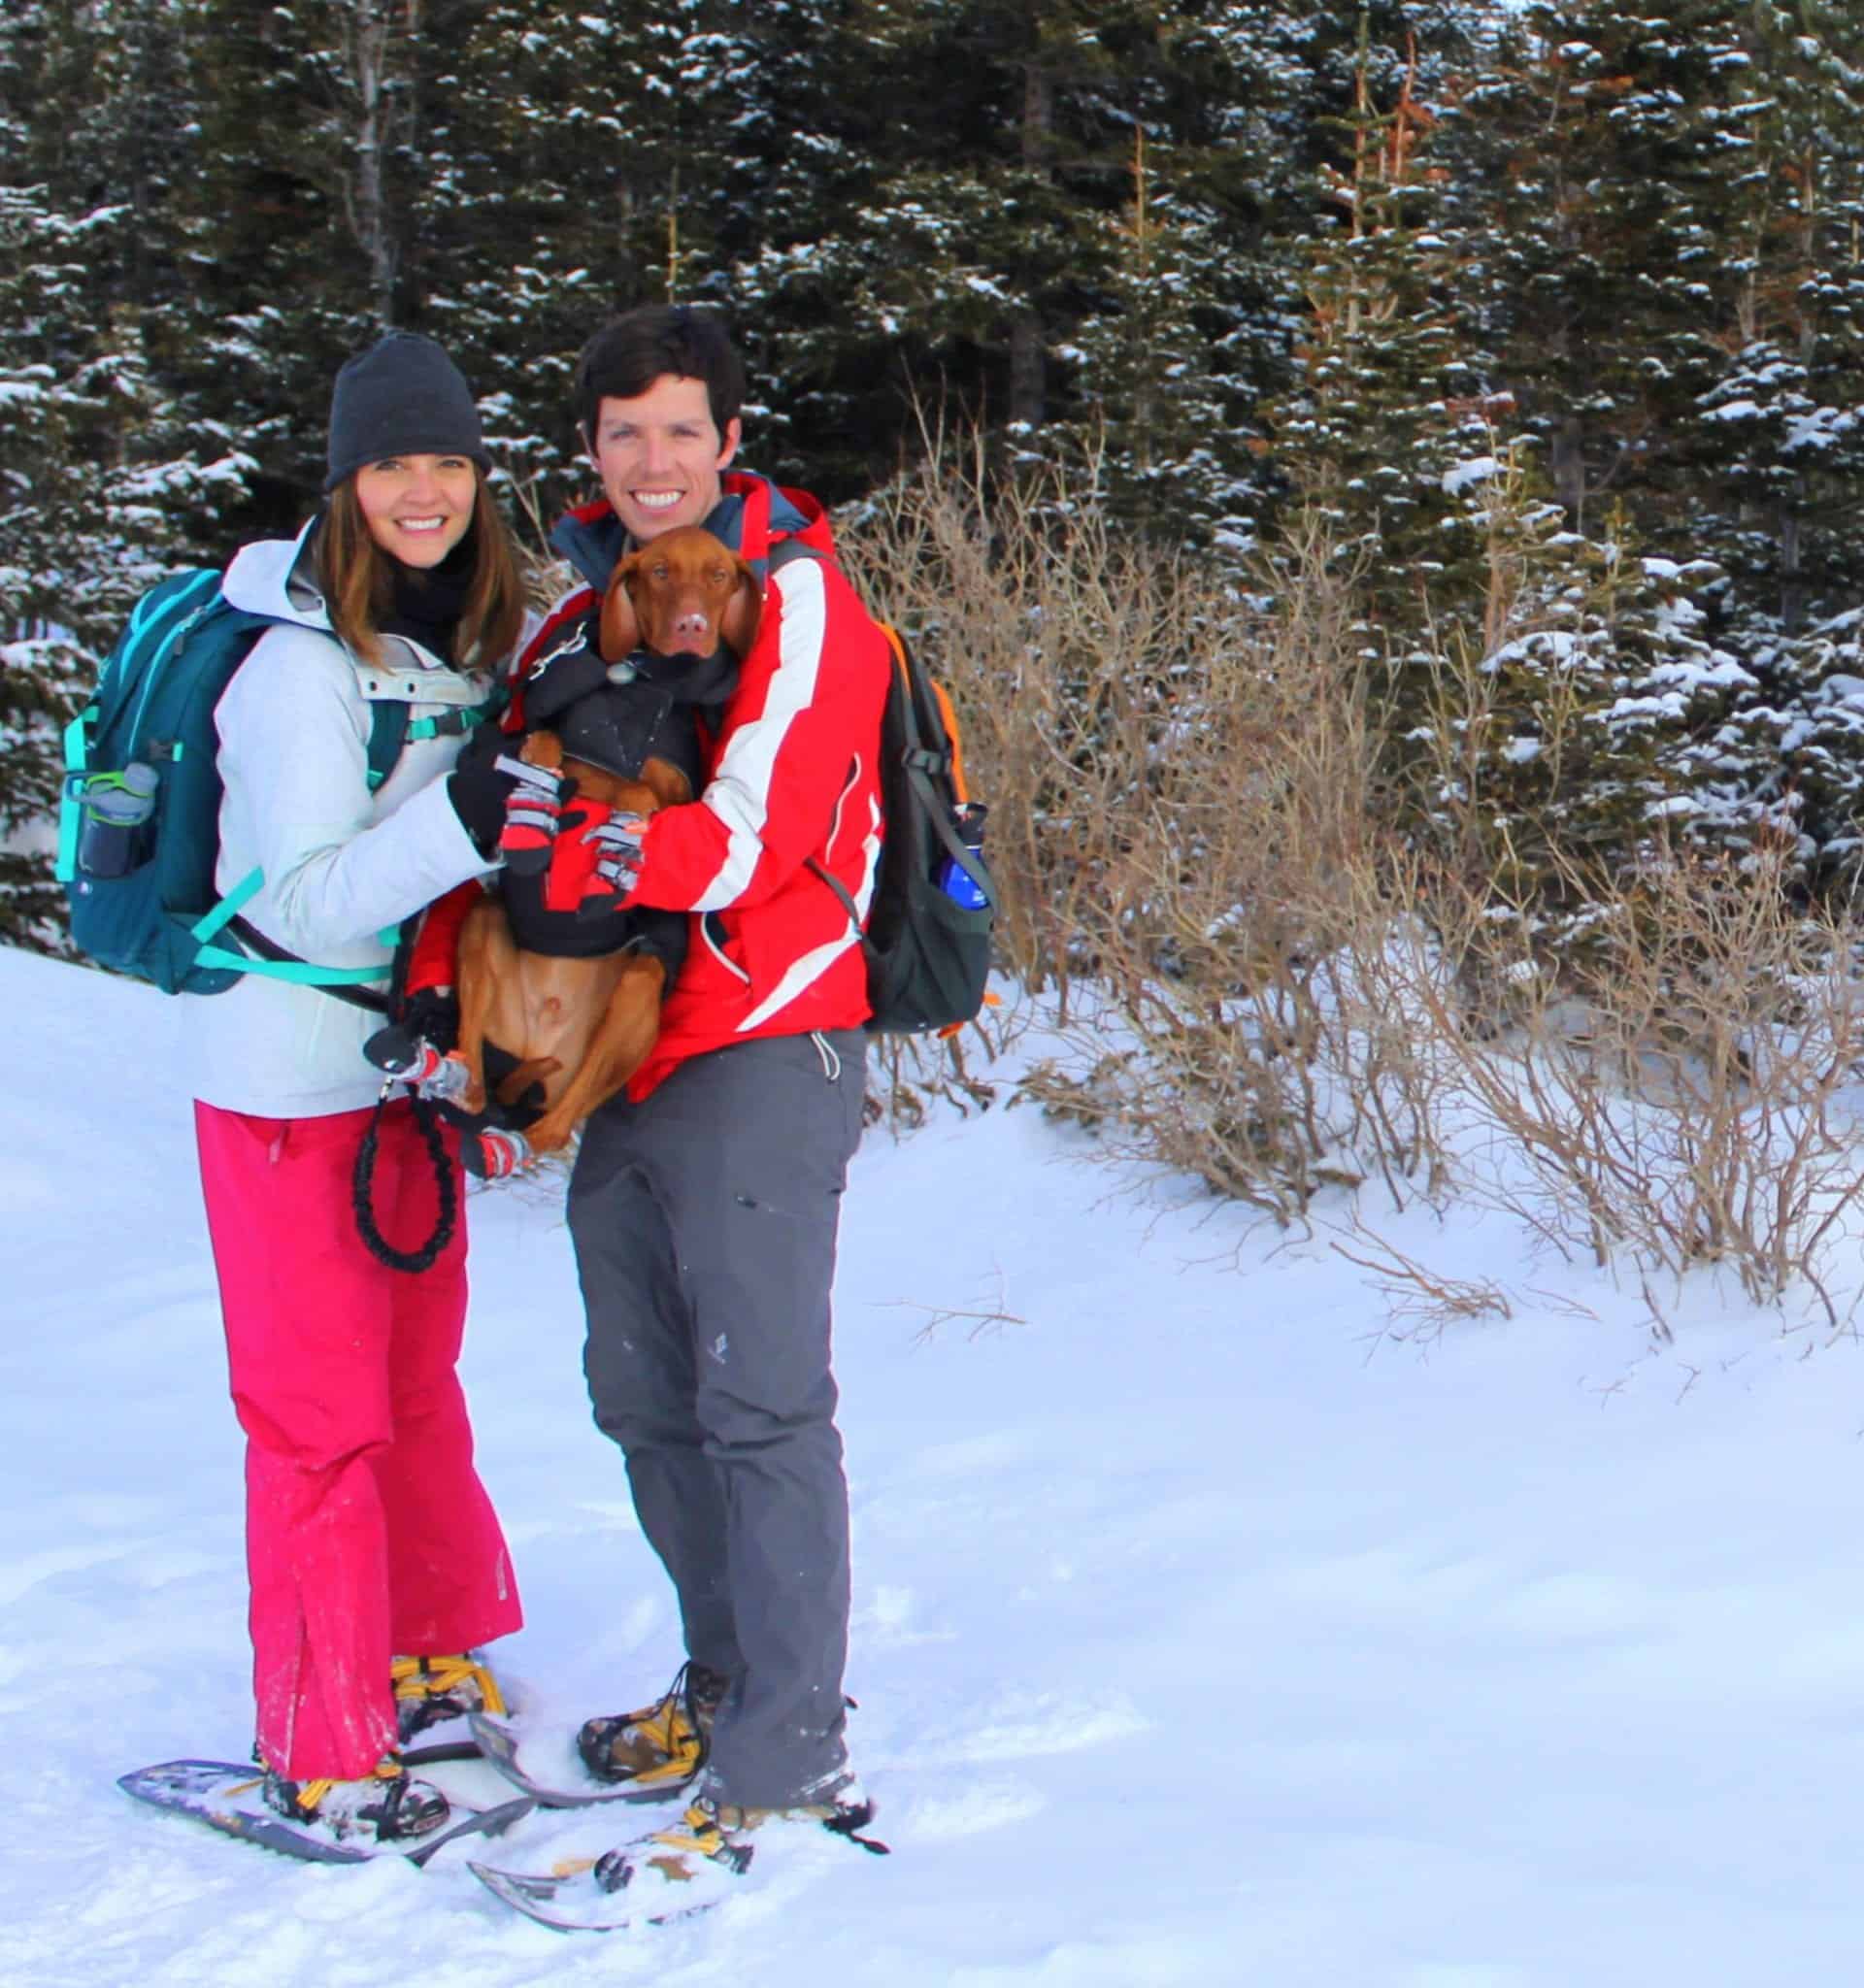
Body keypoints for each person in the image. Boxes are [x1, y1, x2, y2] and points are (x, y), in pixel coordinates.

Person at [507, 303, 891, 1885]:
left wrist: (584, 859)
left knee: (759, 1401)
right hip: (633, 1052)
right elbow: (517, 780)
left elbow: (756, 831)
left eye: (681, 430)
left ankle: (790, 1753)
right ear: (590, 454)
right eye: (623, 434)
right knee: (641, 1390)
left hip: (765, 1043)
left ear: (729, 441)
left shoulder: (805, 605)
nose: (653, 460)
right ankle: (726, 1682)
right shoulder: (587, 611)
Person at [185, 331, 543, 1844]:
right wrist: (470, 817)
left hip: (406, 1088)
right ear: (345, 484)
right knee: (316, 1420)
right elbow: (309, 897)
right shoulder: (296, 672)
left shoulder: (453, 651)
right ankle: (321, 1745)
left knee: (413, 1392)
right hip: (282, 1091)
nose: (424, 491)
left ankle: (426, 1651)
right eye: (394, 463)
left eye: (448, 463)